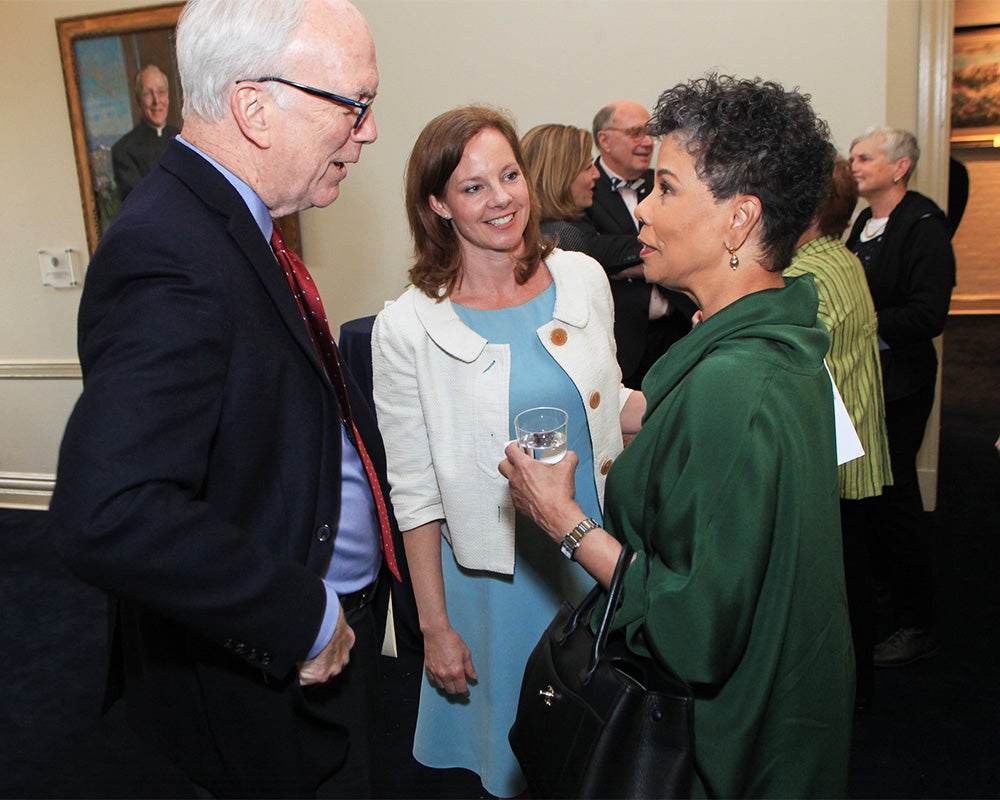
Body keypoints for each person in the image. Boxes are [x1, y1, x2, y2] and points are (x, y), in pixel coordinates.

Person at [49, 1, 399, 797]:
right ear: (253, 106)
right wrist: (300, 615)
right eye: (354, 104)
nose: (369, 131)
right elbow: (109, 510)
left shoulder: (232, 220)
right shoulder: (169, 247)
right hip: (261, 671)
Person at [501, 75, 854, 797]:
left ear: (738, 220)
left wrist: (563, 521)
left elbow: (692, 631)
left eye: (664, 188)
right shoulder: (773, 338)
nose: (643, 212)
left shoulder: (738, 386)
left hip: (721, 748)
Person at [371, 105, 645, 798]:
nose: (502, 198)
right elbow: (414, 491)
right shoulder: (406, 327)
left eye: (510, 174)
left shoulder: (581, 275)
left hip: (595, 552)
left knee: (607, 754)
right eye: (473, 187)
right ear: (437, 205)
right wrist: (434, 627)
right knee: (520, 762)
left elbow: (611, 403)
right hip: (495, 583)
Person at [786, 155, 893, 711]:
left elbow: (795, 356)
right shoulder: (834, 257)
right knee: (852, 569)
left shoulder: (811, 272)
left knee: (841, 581)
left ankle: (847, 693)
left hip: (835, 452)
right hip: (851, 444)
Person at [847, 127, 956, 667]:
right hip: (868, 381)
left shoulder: (925, 226)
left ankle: (918, 623)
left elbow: (928, 314)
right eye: (853, 157)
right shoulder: (864, 224)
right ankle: (886, 589)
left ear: (900, 167)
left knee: (896, 497)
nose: (855, 164)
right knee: (871, 499)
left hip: (902, 383)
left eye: (866, 158)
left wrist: (861, 326)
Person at [586, 99, 693, 388]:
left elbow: (689, 237)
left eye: (649, 133)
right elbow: (593, 251)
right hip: (623, 338)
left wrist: (624, 263)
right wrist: (665, 251)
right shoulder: (583, 188)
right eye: (635, 133)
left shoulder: (662, 183)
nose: (647, 142)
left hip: (679, 328)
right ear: (604, 140)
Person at [520, 122, 645, 286]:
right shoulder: (564, 237)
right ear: (560, 176)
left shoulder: (526, 233)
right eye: (587, 166)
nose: (596, 174)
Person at [111, 64, 180, 202]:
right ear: (138, 100)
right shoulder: (124, 151)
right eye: (148, 93)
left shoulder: (184, 140)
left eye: (161, 92)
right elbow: (141, 203)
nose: (156, 101)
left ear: (168, 96)